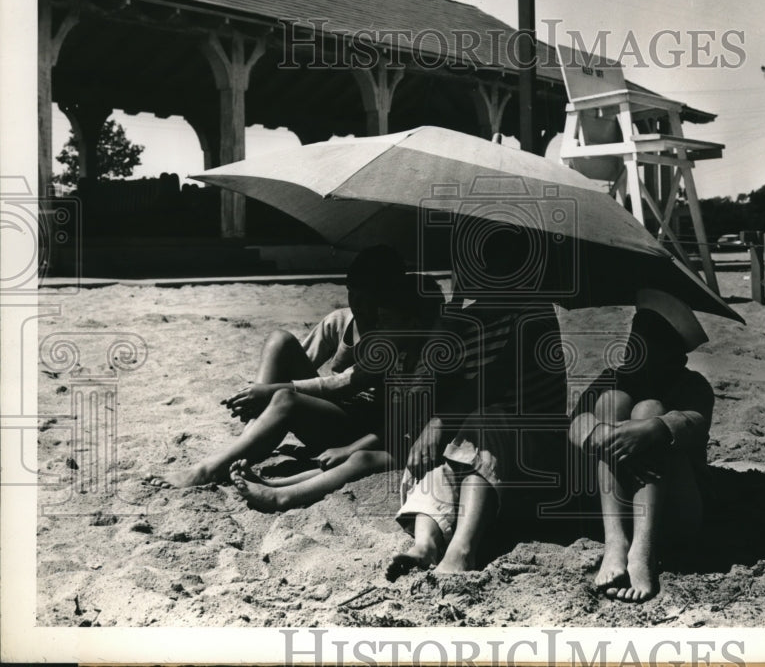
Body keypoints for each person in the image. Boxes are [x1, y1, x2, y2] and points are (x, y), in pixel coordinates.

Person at [146, 245, 416, 488]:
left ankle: (211, 469)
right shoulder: (341, 321)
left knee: (285, 397)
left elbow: (343, 384)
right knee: (280, 340)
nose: (358, 306)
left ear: (386, 297)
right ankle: (251, 436)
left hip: (358, 434)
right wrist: (263, 395)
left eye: (369, 299)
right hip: (335, 412)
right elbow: (294, 362)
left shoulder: (393, 335)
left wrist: (272, 392)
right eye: (352, 295)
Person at [386, 229, 569, 579]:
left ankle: (462, 550)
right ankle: (426, 545)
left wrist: (438, 423)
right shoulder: (467, 325)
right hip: (480, 459)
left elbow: (495, 380)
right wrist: (443, 335)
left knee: (483, 421)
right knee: (441, 461)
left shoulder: (533, 313)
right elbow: (423, 401)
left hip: (537, 455)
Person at [229, 273, 445, 510]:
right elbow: (396, 422)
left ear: (413, 325)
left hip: (423, 446)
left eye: (386, 321)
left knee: (360, 458)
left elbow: (401, 424)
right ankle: (273, 484)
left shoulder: (427, 366)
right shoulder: (400, 357)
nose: (379, 326)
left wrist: (350, 448)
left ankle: (282, 496)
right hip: (401, 437)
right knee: (350, 458)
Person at [568, 288, 714, 603]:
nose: (637, 353)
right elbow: (576, 423)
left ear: (677, 357)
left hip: (674, 513)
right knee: (610, 402)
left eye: (652, 345)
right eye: (634, 341)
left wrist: (650, 430)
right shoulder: (613, 379)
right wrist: (603, 434)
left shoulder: (693, 386)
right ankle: (616, 542)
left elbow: (693, 422)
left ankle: (642, 551)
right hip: (612, 509)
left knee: (649, 410)